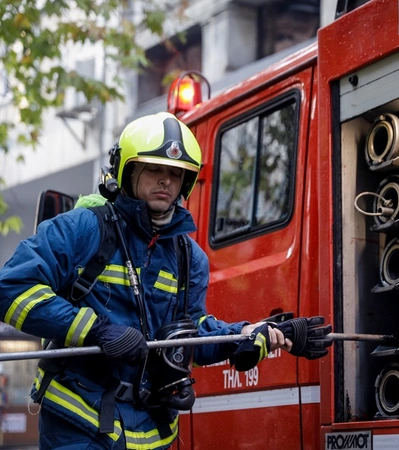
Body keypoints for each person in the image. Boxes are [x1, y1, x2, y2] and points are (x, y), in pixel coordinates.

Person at [0, 112, 330, 449]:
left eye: (175, 173)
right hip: (78, 423)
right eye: (154, 169)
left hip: (154, 432)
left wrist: (250, 335)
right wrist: (96, 330)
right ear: (128, 171)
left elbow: (190, 334)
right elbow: (10, 289)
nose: (166, 181)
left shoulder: (189, 257)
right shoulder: (82, 228)